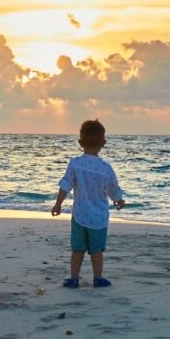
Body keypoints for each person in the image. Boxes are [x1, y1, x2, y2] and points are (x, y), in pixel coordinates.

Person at [51, 118, 125, 288]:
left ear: (80, 142)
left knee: (77, 249)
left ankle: (74, 278)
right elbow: (113, 188)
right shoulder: (105, 168)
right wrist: (119, 200)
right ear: (103, 143)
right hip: (98, 218)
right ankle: (98, 278)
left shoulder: (75, 164)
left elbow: (66, 184)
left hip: (79, 216)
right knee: (96, 250)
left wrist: (58, 204)